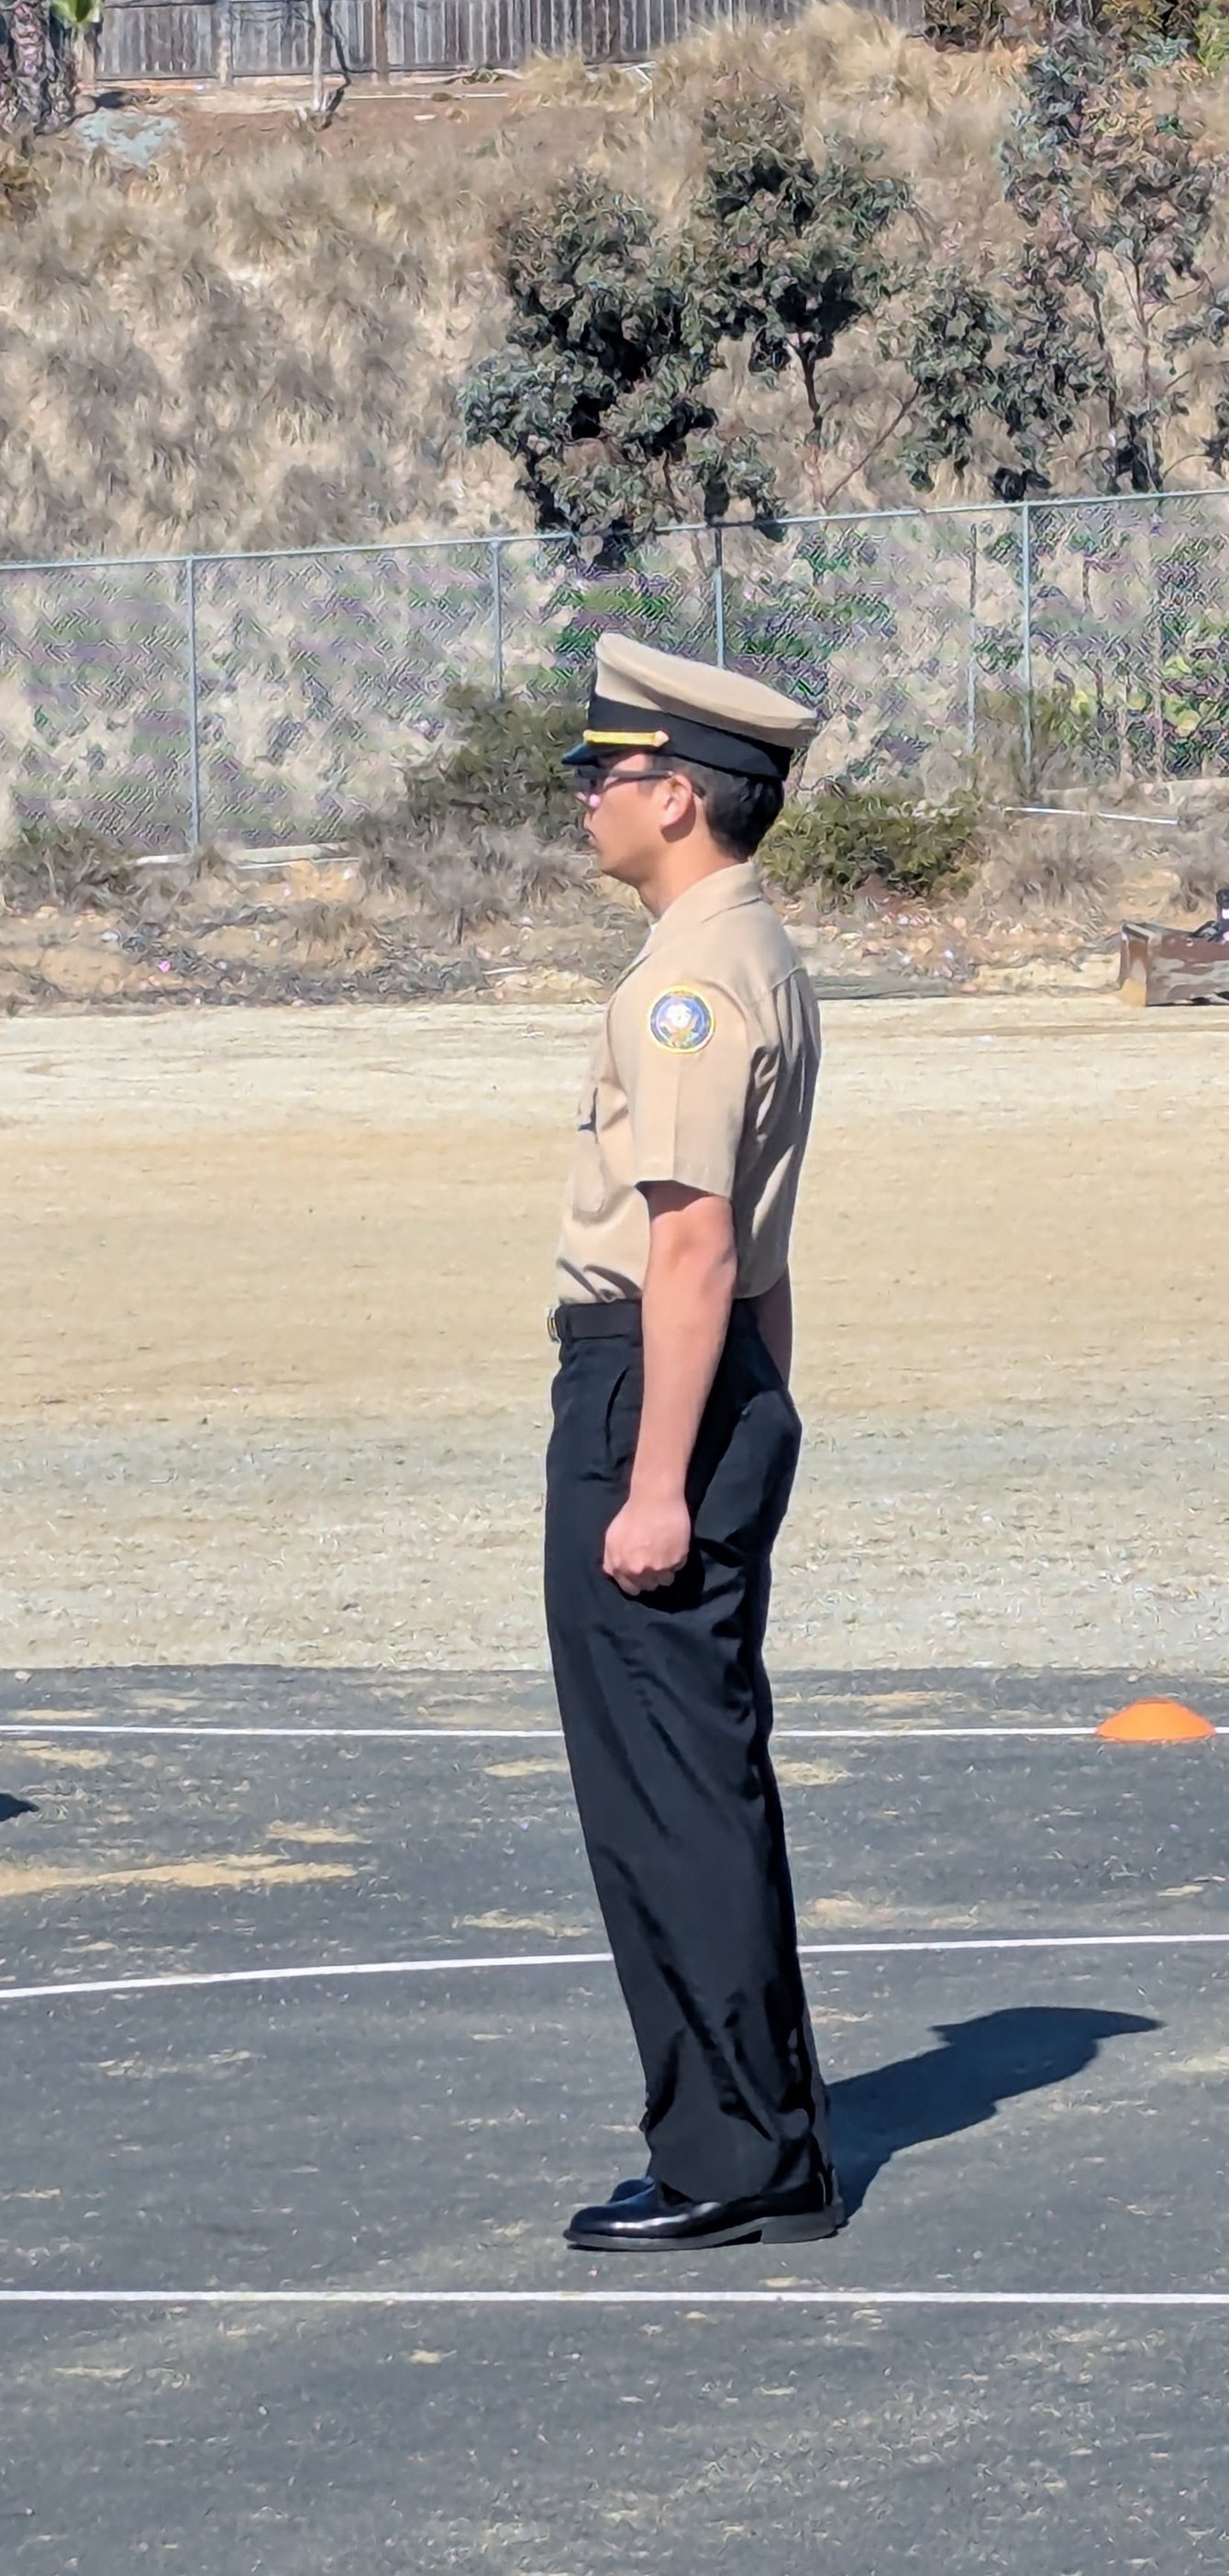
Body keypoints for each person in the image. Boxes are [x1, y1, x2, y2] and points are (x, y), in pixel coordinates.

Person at [544, 634, 838, 2250]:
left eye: (607, 770)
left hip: (644, 1391)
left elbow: (693, 1241)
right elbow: (753, 1262)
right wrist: (761, 1411)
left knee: (665, 1791)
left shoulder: (684, 980)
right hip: (718, 1383)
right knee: (701, 1775)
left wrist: (659, 1479)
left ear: (679, 793)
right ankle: (756, 2137)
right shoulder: (754, 951)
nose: (586, 797)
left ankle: (735, 2160)